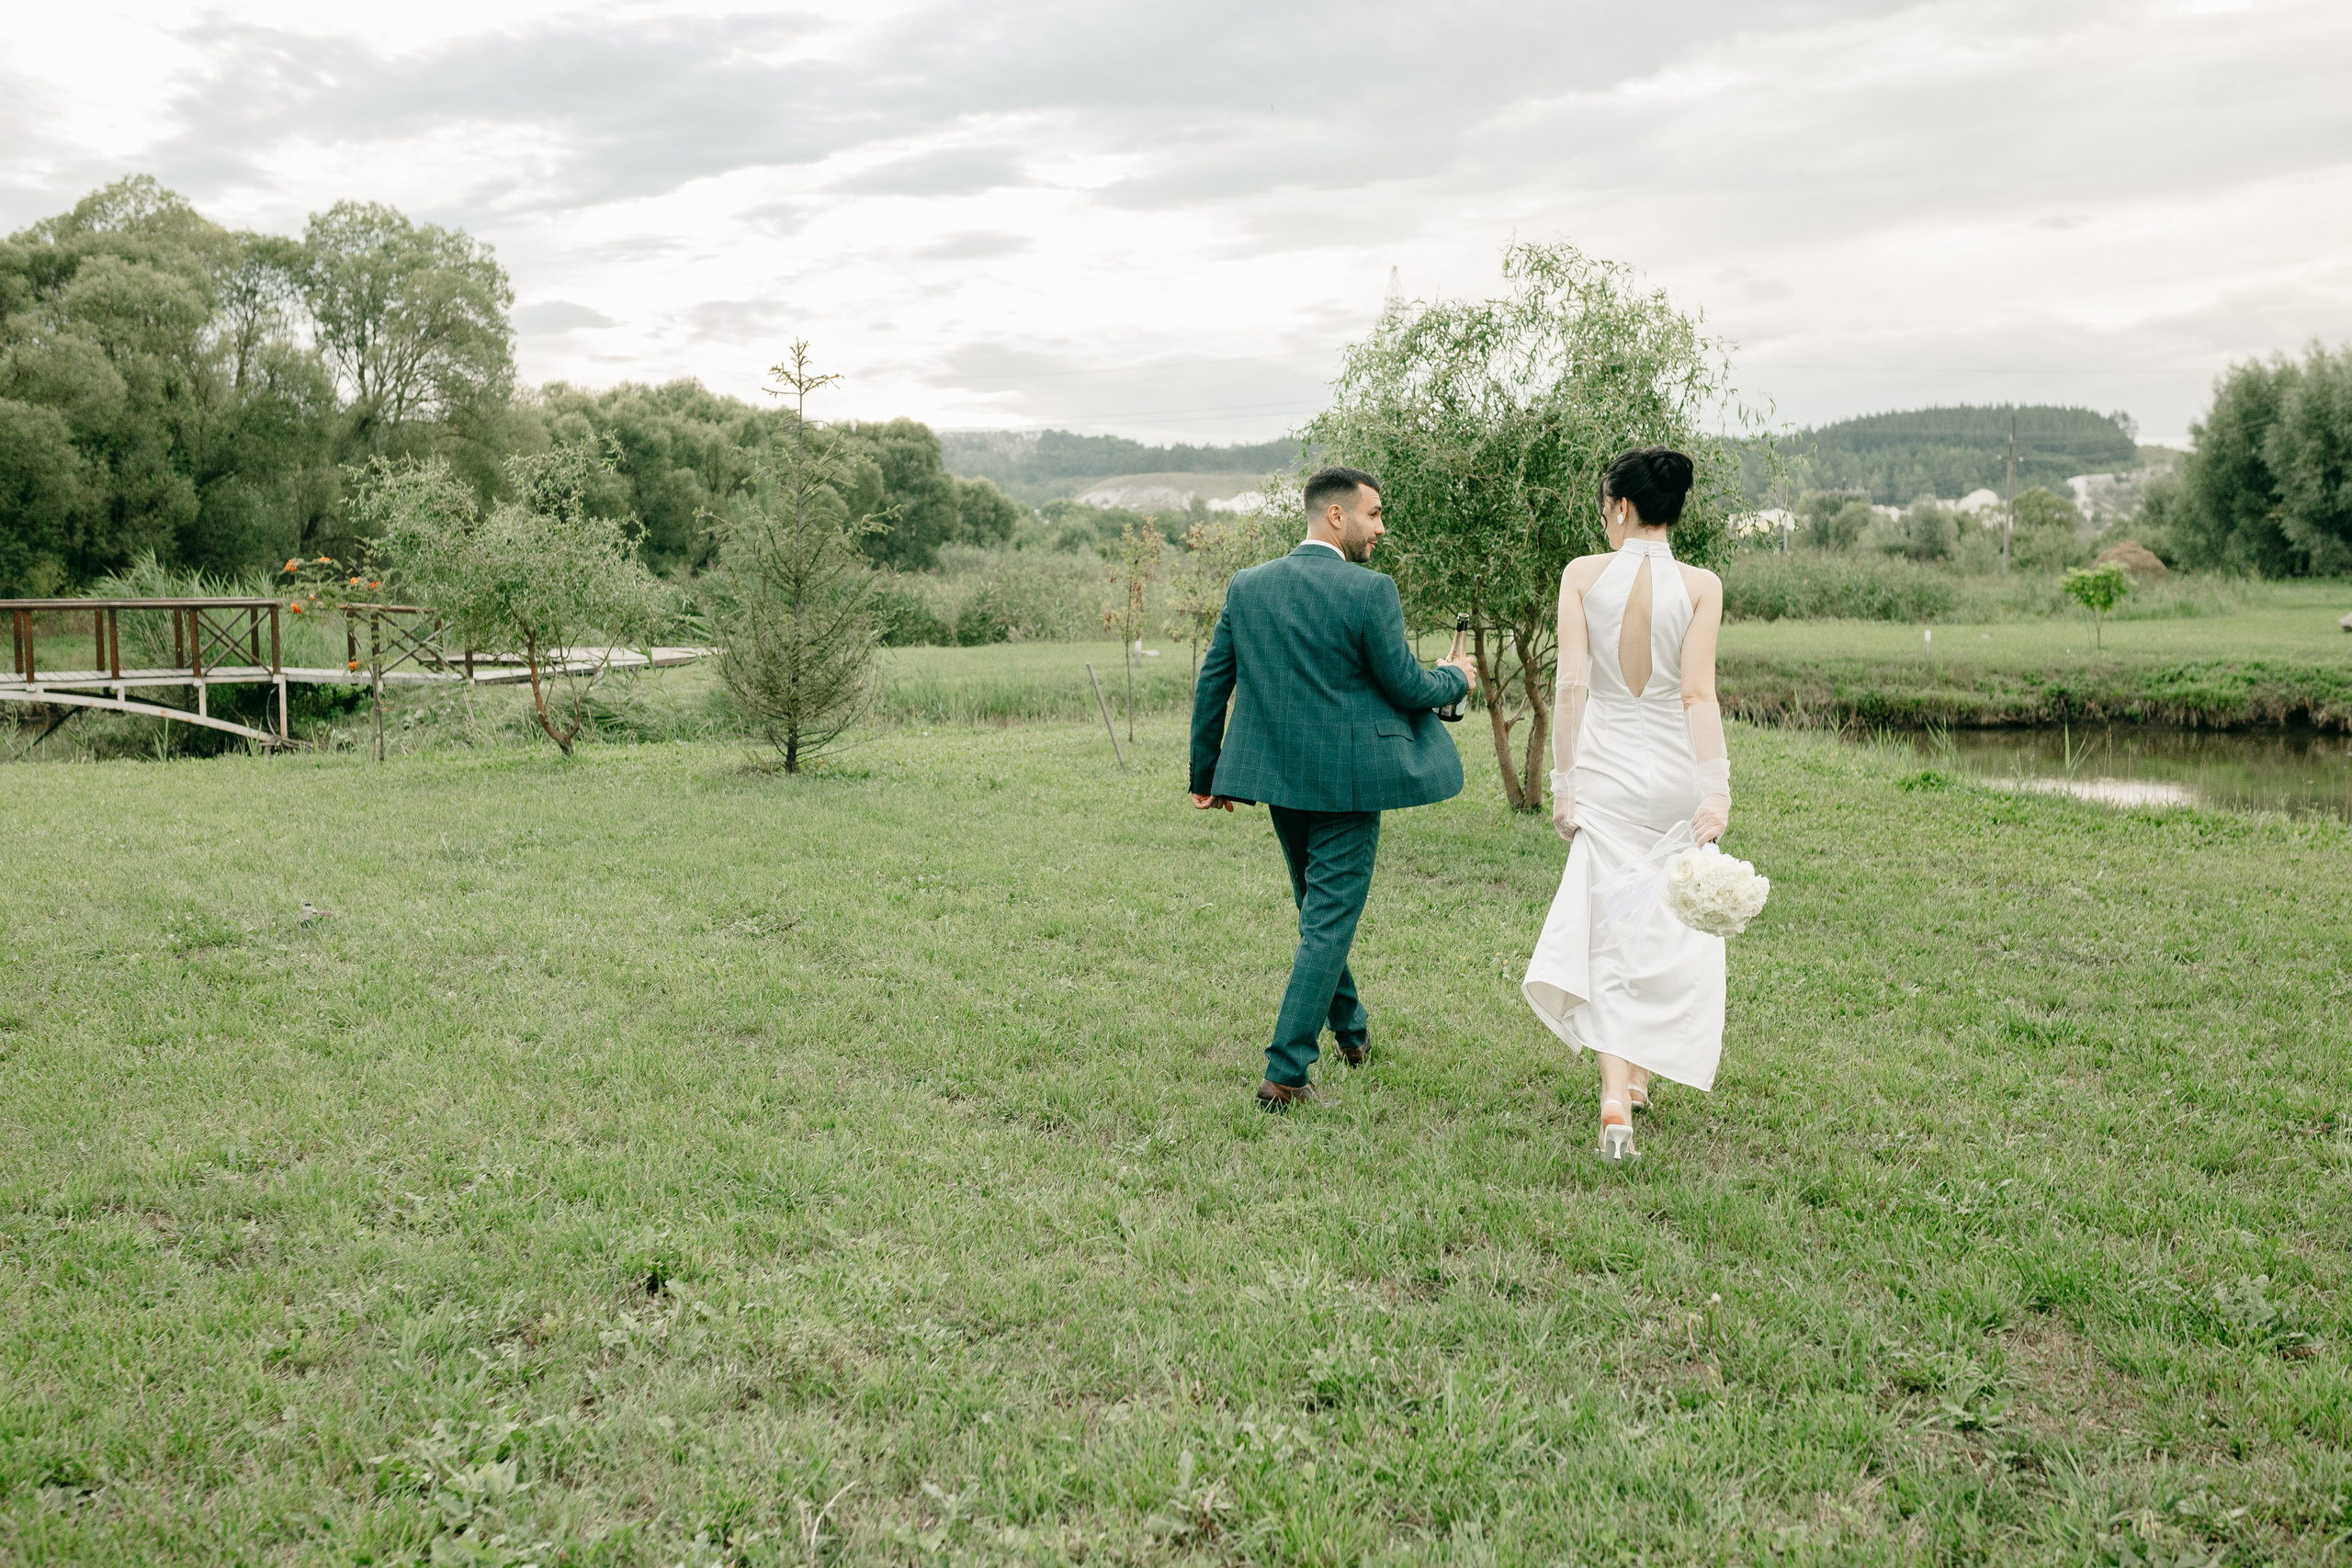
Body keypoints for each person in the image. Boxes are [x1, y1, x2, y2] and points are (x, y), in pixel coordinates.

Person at [1188, 465, 1479, 1110]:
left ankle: (1351, 1033)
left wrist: (1205, 773)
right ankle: (1286, 1072)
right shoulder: (1371, 591)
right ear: (1338, 515)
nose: (1381, 528)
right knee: (1326, 921)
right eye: (1374, 514)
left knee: (1319, 914)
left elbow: (1215, 680)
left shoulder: (1248, 585)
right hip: (1348, 784)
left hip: (1279, 780)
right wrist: (1456, 677)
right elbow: (1408, 686)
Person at [1521, 446, 1730, 1163]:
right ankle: (1639, 1074)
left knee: (1608, 920)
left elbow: (1572, 684)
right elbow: (1698, 693)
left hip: (1606, 770)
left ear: (1620, 507)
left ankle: (1616, 1095)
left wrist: (1564, 780)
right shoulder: (1703, 585)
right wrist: (1717, 789)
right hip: (1674, 769)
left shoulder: (1583, 575)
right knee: (1660, 918)